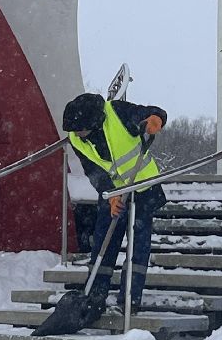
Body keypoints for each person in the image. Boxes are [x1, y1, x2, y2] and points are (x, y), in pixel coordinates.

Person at [61, 91, 168, 318]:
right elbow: (93, 170)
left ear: (91, 122)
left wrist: (155, 118)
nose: (77, 135)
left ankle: (130, 299)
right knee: (103, 244)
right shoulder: (76, 138)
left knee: (138, 248)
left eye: (80, 130)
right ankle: (94, 297)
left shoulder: (117, 112)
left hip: (143, 187)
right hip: (113, 193)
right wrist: (110, 195)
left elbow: (149, 112)